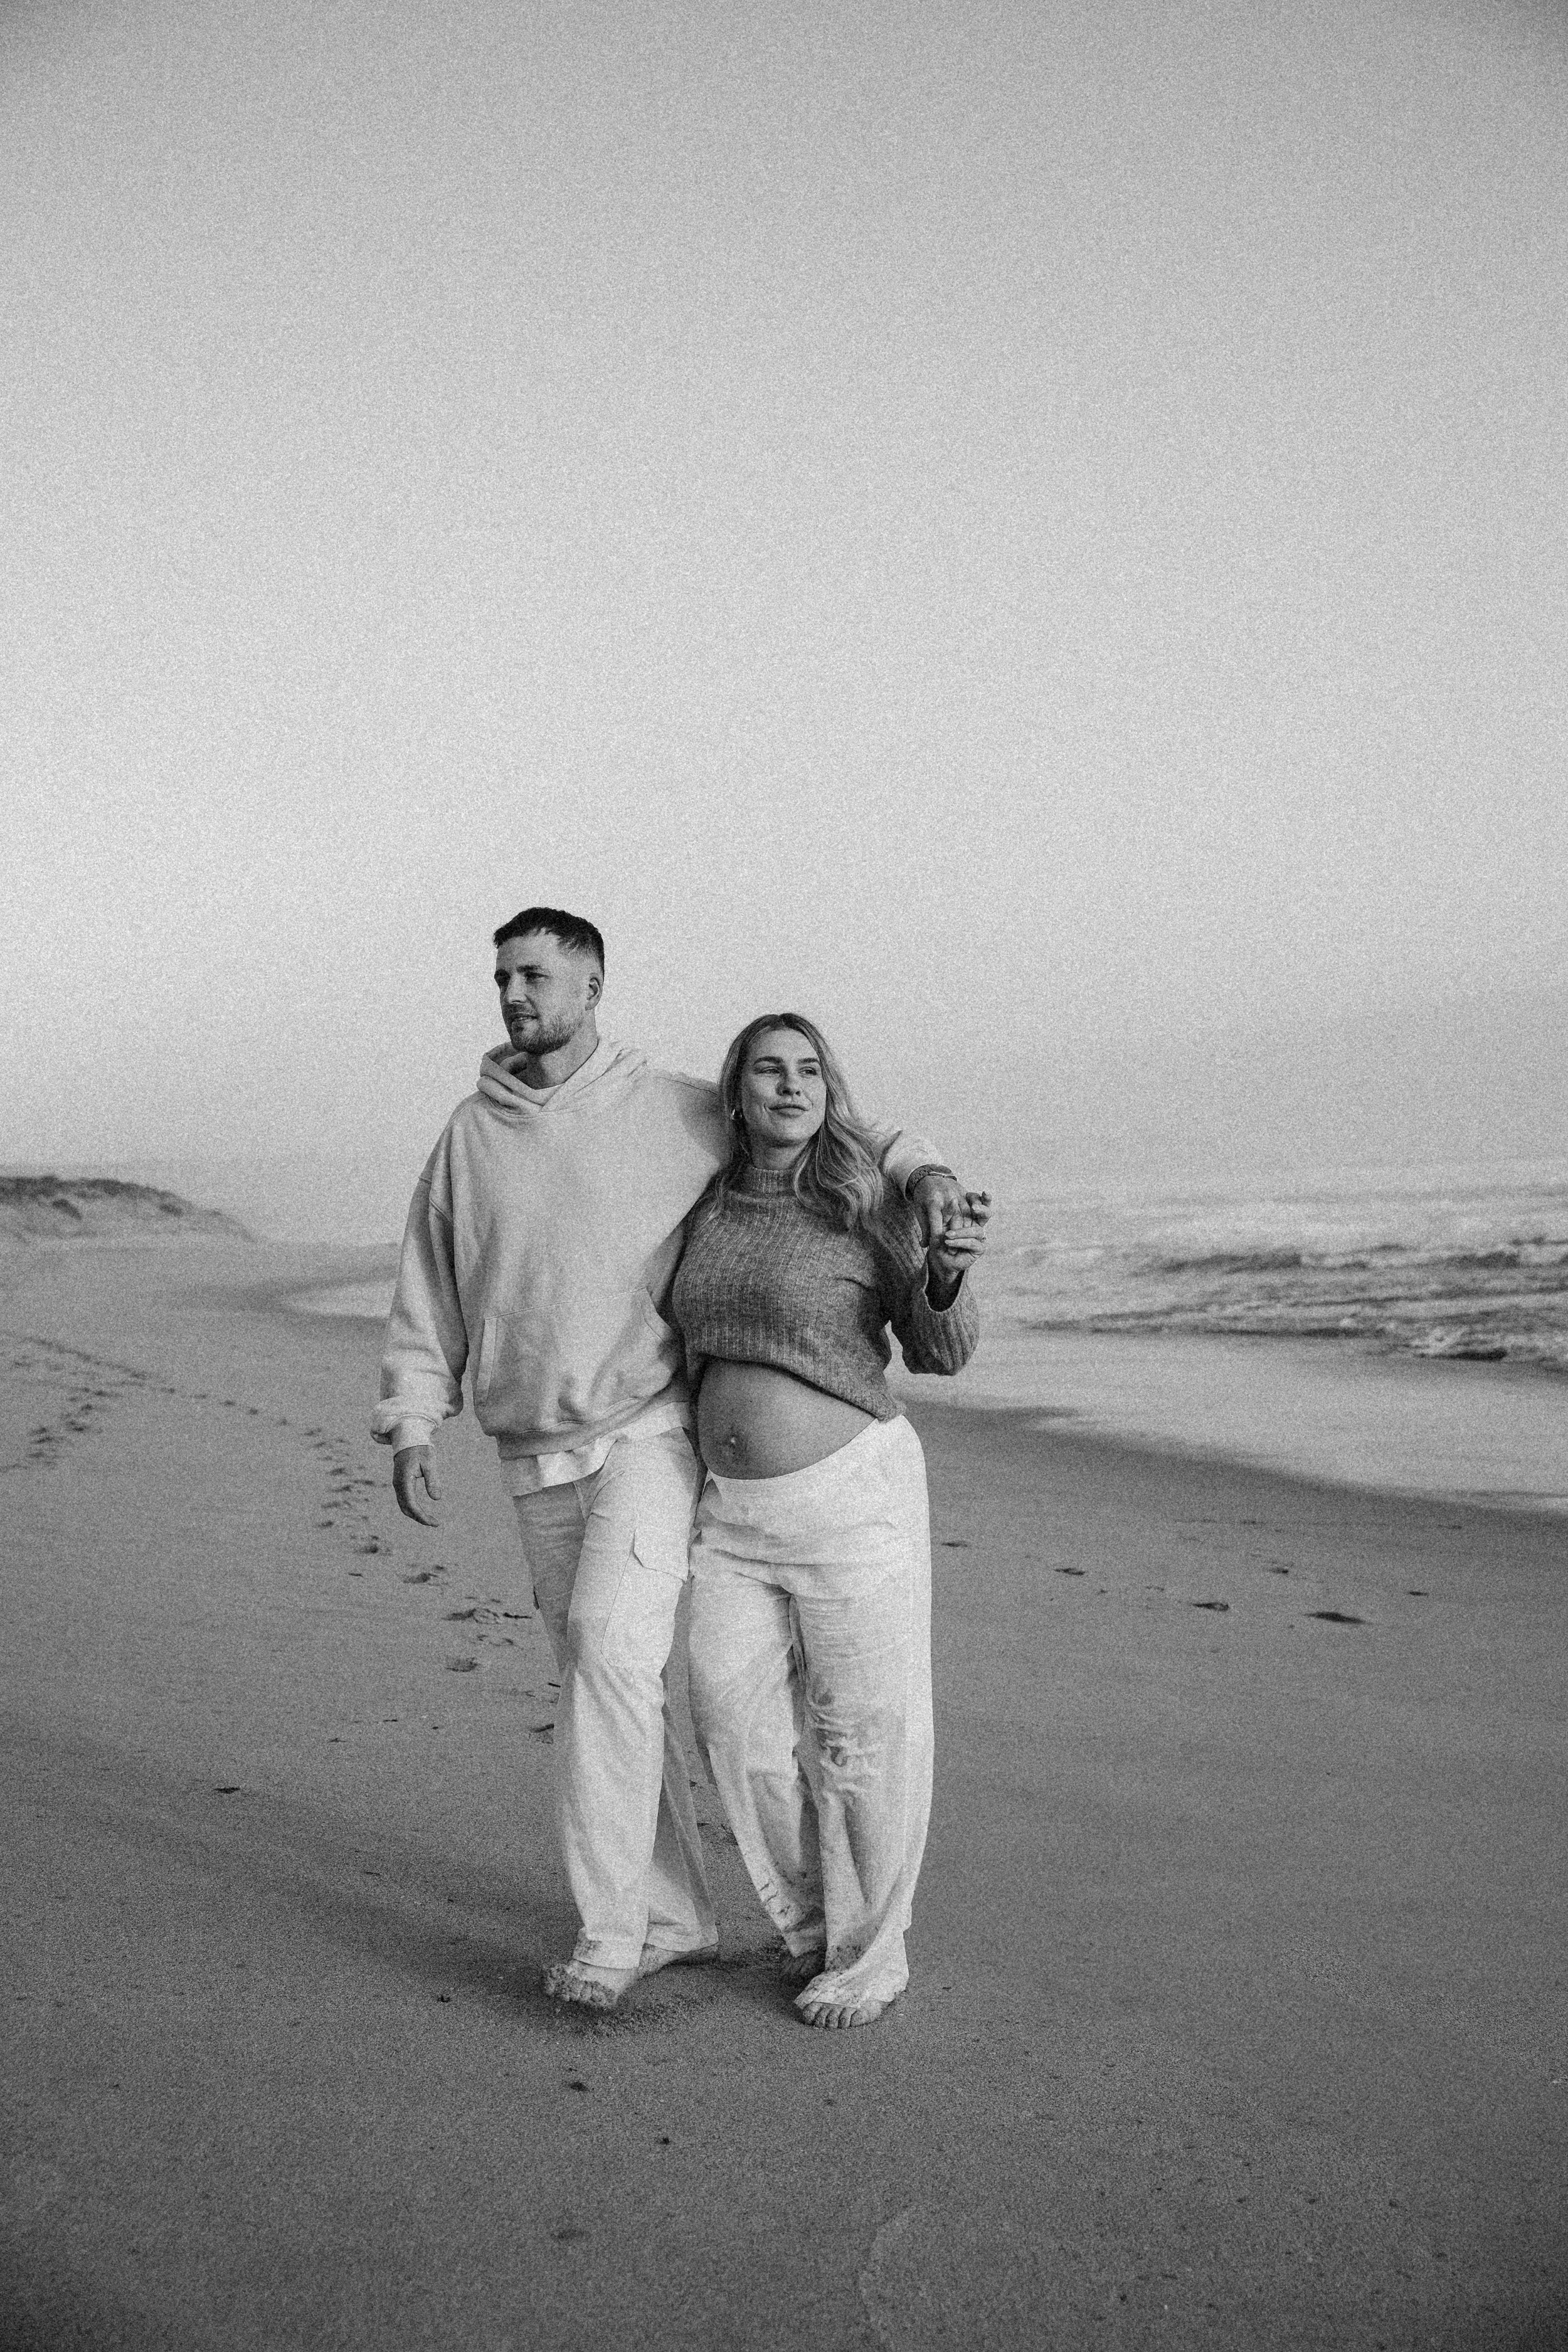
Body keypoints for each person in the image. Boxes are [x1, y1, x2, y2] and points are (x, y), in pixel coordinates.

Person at [374, 908, 983, 2012]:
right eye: (503, 976)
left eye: (540, 975)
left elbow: (846, 1142)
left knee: (663, 1669)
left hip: (707, 1452)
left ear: (594, 985)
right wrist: (414, 1415)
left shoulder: (687, 1115)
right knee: (667, 1703)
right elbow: (431, 1280)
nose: (517, 995)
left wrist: (929, 1172)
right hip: (595, 1467)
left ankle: (793, 1942)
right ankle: (716, 1919)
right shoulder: (480, 1137)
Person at [672, 1012, 984, 2030]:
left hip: (853, 1502)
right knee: (733, 1721)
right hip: (731, 1514)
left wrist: (943, 1272)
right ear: (738, 1090)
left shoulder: (865, 1202)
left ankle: (870, 1952)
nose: (791, 1086)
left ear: (830, 1089)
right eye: (770, 1069)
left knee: (863, 1738)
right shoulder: (704, 1199)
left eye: (810, 1070)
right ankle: (812, 1923)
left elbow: (942, 1351)